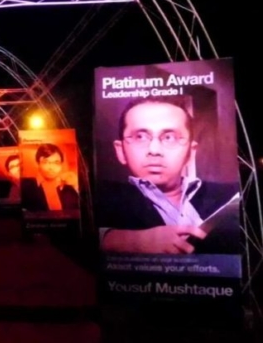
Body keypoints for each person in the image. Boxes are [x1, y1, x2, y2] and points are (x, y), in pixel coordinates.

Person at [97, 96, 240, 255]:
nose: (154, 150)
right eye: (140, 136)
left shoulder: (232, 195)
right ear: (121, 151)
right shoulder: (97, 199)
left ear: (190, 153)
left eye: (169, 137)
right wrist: (125, 241)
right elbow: (79, 237)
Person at [20, 143, 79, 212]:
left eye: (56, 163)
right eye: (45, 162)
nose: (51, 167)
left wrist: (76, 185)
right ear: (37, 164)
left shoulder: (69, 185)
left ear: (61, 165)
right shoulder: (25, 186)